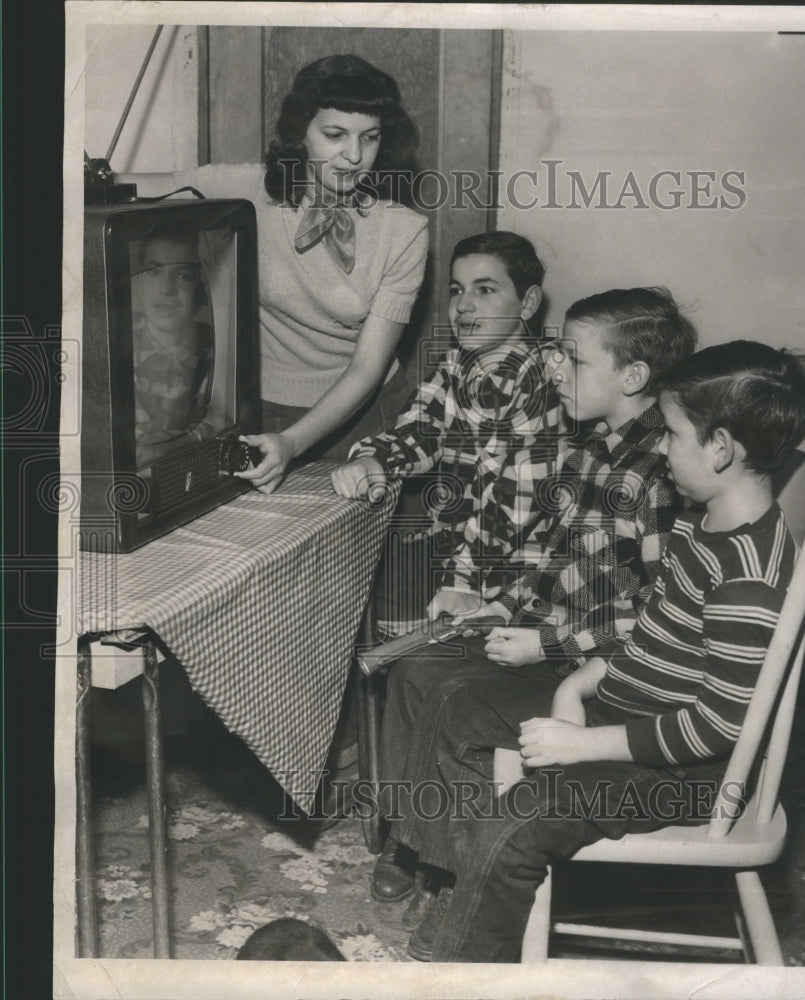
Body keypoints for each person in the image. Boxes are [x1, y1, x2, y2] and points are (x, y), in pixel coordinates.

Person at [390, 340, 805, 962]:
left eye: (674, 435)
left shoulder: (749, 578)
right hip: (626, 715)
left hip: (689, 775)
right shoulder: (700, 522)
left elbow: (718, 725)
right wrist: (575, 686)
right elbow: (650, 637)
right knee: (456, 700)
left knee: (512, 823)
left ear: (722, 448)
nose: (663, 448)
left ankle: (465, 964)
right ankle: (459, 886)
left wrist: (583, 745)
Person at [369, 287, 697, 916]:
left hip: (599, 669)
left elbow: (658, 617)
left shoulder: (657, 475)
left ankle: (457, 867)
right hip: (551, 634)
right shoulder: (593, 449)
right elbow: (553, 561)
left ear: (633, 376)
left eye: (574, 361)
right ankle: (418, 840)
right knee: (413, 670)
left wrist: (544, 644)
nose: (555, 371)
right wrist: (502, 603)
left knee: (451, 701)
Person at [132, 54, 429, 483]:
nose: (354, 155)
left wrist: (292, 442)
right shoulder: (246, 189)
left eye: (370, 137)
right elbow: (148, 184)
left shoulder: (405, 232)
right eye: (335, 134)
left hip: (362, 417)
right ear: (300, 132)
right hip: (259, 407)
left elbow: (368, 367)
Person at [331, 231, 568, 636]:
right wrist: (376, 460)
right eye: (457, 289)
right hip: (465, 563)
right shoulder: (456, 364)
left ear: (527, 303)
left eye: (486, 289)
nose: (463, 305)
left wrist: (462, 579)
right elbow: (421, 431)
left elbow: (512, 505)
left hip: (529, 581)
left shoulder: (546, 380)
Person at [131, 227, 214, 465]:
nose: (166, 289)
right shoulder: (117, 341)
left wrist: (164, 449)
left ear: (201, 291)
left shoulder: (211, 352)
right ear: (138, 283)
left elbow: (214, 423)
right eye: (154, 271)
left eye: (183, 275)